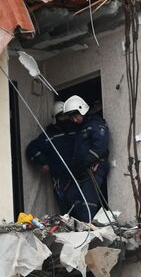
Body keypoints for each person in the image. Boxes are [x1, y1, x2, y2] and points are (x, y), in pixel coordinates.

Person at [26, 95, 110, 223]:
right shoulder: (49, 136)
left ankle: (87, 227)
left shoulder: (82, 128)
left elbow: (99, 144)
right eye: (62, 116)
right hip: (64, 177)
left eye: (68, 116)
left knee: (87, 201)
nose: (67, 119)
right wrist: (43, 162)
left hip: (83, 171)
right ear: (55, 118)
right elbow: (31, 149)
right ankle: (74, 227)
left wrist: (92, 161)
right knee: (69, 203)